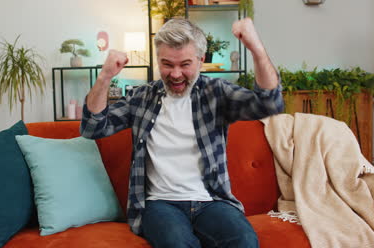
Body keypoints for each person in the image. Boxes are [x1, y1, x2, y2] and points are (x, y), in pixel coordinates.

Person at [80, 17, 284, 248]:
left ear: (200, 60)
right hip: (160, 204)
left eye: (185, 64)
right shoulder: (142, 97)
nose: (175, 74)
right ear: (158, 60)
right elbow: (92, 127)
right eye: (167, 64)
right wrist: (105, 76)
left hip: (211, 201)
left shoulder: (215, 93)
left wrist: (256, 48)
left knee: (244, 241)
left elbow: (269, 104)